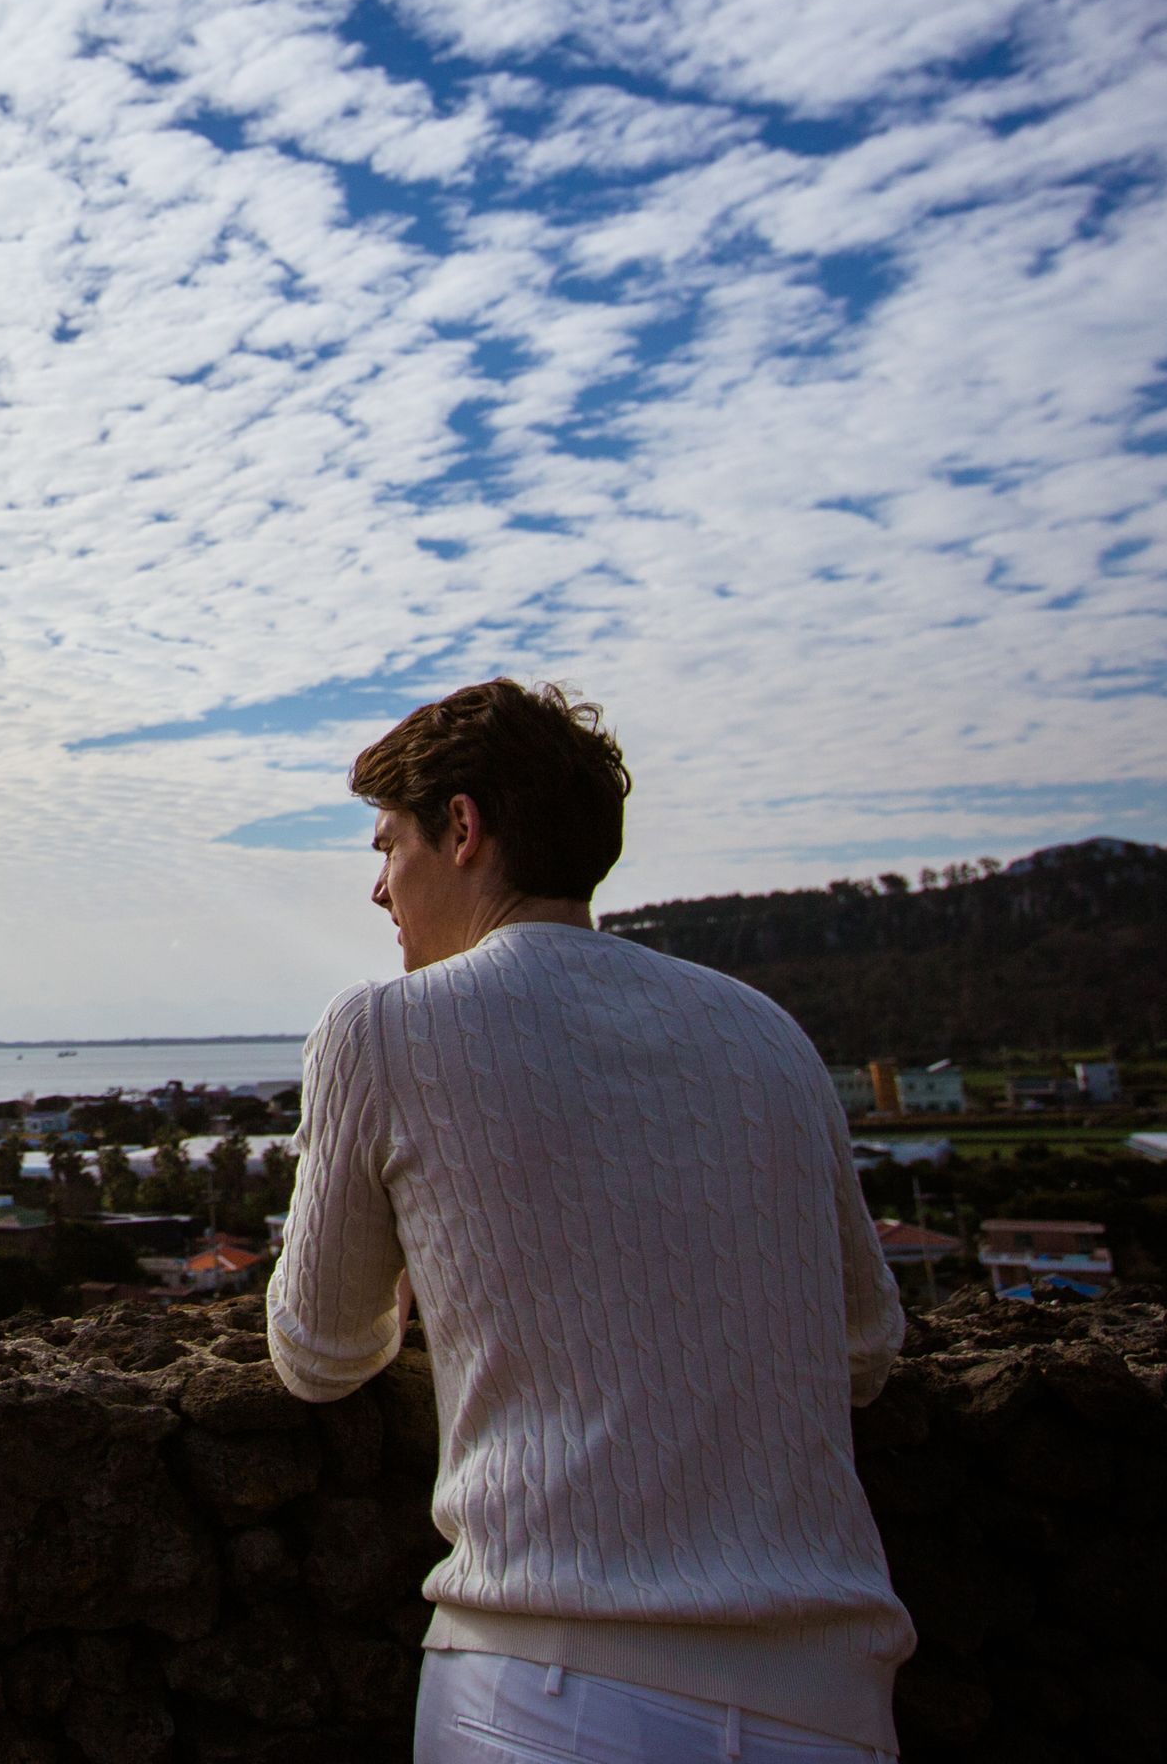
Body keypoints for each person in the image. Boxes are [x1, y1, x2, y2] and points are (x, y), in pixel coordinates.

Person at [265, 681, 912, 1762]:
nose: (379, 889)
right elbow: (867, 1345)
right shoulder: (767, 1033)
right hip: (827, 1694)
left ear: (463, 829)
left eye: (389, 846)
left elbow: (319, 1353)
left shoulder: (384, 1028)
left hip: (545, 1688)